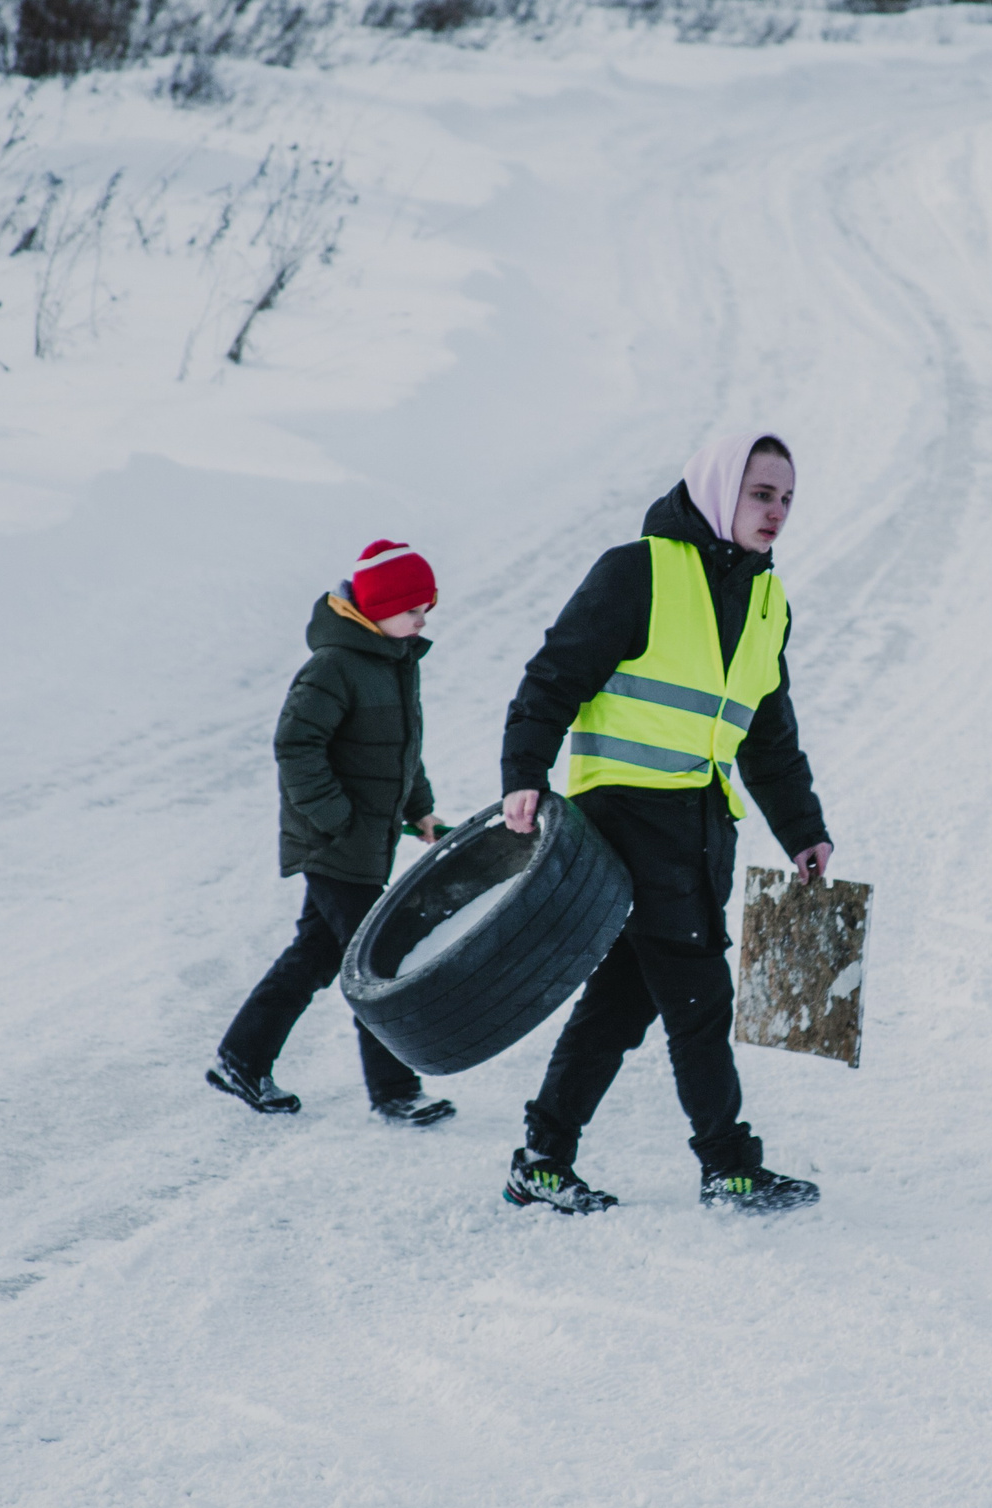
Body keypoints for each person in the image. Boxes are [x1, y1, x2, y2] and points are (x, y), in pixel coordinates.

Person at [495, 431, 833, 1215]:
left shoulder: (766, 599)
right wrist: (523, 774)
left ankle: (543, 1157)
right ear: (719, 489)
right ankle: (728, 1163)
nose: (776, 511)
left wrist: (803, 829)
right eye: (760, 493)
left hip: (700, 827)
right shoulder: (637, 571)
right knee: (698, 995)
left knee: (621, 1000)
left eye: (786, 497)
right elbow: (553, 676)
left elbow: (768, 733)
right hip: (625, 820)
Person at [206, 540, 456, 1125]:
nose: (422, 620)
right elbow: (295, 747)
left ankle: (241, 1056)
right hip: (335, 844)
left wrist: (420, 810)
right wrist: (335, 820)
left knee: (316, 955)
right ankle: (395, 1090)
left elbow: (399, 754)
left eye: (427, 609)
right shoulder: (333, 667)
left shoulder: (394, 662)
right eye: (413, 609)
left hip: (364, 842)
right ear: (376, 609)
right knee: (376, 963)